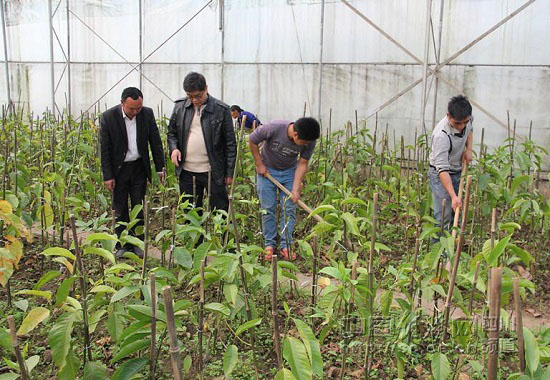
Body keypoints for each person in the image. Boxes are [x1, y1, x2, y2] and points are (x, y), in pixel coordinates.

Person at [100, 87, 165, 258]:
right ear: (122, 103)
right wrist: (108, 176)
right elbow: (104, 150)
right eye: (132, 108)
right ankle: (122, 244)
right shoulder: (108, 118)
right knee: (120, 207)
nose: (136, 111)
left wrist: (160, 168)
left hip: (139, 167)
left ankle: (137, 243)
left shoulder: (147, 114)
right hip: (119, 169)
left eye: (139, 108)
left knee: (138, 206)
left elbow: (155, 142)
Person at [249, 118, 320, 261]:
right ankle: (269, 244)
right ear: (295, 135)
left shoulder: (309, 140)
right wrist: (259, 164)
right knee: (268, 208)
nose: (307, 145)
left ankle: (286, 245)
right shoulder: (273, 128)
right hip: (267, 171)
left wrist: (295, 188)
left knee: (289, 209)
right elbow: (252, 140)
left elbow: (303, 163)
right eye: (304, 143)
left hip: (289, 172)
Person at [167, 72, 236, 213]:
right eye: (190, 96)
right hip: (187, 171)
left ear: (206, 88)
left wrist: (229, 173)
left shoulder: (221, 110)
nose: (194, 100)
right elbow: (172, 133)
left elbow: (230, 143)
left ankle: (221, 235)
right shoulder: (180, 107)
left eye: (198, 96)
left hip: (213, 171)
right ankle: (195, 236)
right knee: (191, 213)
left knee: (220, 212)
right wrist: (174, 148)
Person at [428, 95, 473, 230]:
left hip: (457, 170)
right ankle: (440, 249)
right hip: (440, 174)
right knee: (443, 215)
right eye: (457, 124)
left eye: (464, 122)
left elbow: (470, 130)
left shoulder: (467, 117)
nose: (461, 127)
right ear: (448, 116)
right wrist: (453, 196)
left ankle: (454, 246)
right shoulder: (441, 136)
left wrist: (468, 149)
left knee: (456, 213)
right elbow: (442, 170)